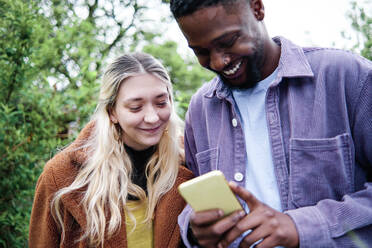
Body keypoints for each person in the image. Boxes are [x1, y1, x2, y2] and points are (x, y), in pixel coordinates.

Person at [169, 0, 372, 247]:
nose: (218, 62)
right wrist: (194, 228)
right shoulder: (201, 108)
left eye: (228, 41)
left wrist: (302, 226)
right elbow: (195, 200)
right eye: (200, 52)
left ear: (257, 8)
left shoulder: (346, 76)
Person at [29, 52, 193, 247]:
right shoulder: (61, 176)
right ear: (112, 112)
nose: (152, 117)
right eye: (135, 107)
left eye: (161, 103)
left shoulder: (189, 164)